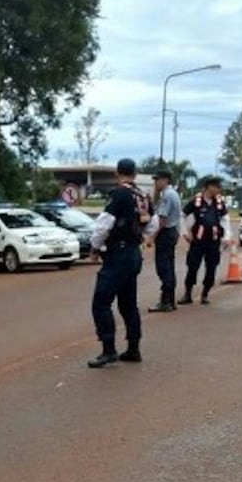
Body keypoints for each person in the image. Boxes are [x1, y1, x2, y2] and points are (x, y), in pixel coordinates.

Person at [87, 158, 158, 368]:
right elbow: (152, 224)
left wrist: (94, 247)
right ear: (135, 174)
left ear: (118, 173)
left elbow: (103, 225)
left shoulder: (118, 194)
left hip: (118, 254)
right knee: (128, 303)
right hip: (133, 253)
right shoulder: (143, 196)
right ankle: (134, 348)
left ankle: (108, 350)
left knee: (101, 302)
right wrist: (141, 237)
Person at [179, 176, 232, 306]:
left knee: (211, 268)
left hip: (213, 242)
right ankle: (188, 294)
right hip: (198, 241)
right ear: (209, 187)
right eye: (217, 187)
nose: (219, 190)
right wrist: (184, 232)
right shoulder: (196, 201)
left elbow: (225, 220)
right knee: (192, 267)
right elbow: (182, 215)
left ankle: (205, 294)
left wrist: (226, 237)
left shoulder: (219, 203)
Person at [146, 168, 182, 313]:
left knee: (163, 268)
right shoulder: (173, 194)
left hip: (166, 233)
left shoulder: (167, 195)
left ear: (165, 180)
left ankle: (165, 301)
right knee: (169, 267)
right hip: (172, 232)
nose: (156, 183)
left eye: (158, 180)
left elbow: (162, 219)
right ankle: (170, 300)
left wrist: (152, 237)